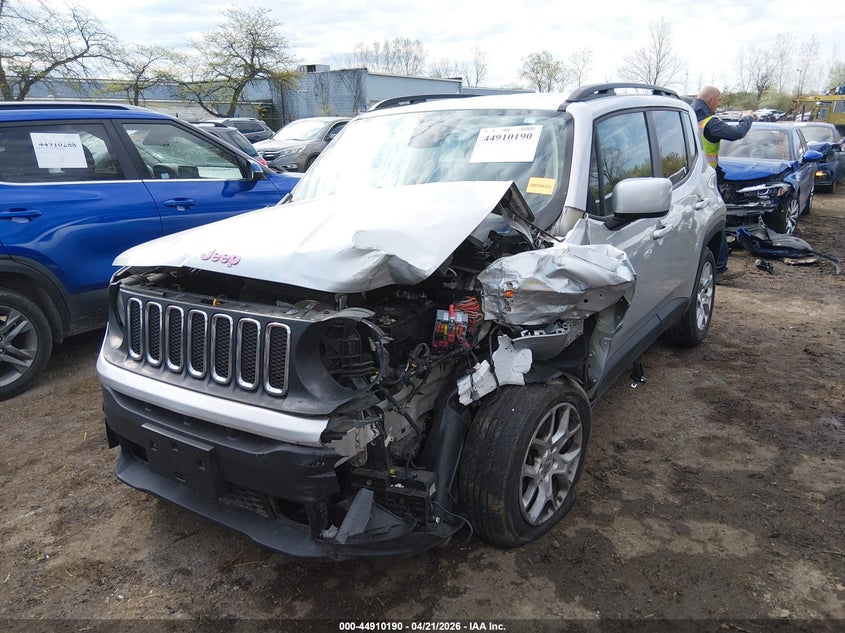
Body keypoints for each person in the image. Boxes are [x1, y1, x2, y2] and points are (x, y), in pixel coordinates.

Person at [691, 86, 755, 283]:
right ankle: (719, 266)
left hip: (687, 179)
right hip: (705, 180)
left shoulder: (687, 116)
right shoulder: (710, 123)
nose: (719, 105)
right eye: (718, 101)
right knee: (717, 220)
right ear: (710, 100)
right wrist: (747, 117)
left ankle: (707, 263)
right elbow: (737, 133)